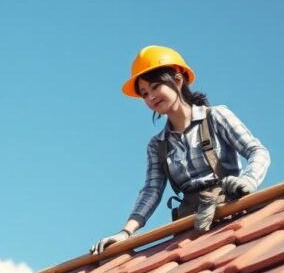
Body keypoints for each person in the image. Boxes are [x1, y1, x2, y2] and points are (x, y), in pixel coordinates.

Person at [91, 46, 270, 254]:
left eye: (156, 87)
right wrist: (125, 232)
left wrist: (248, 181)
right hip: (189, 226)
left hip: (230, 214)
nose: (151, 97)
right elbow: (152, 190)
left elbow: (257, 151)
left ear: (177, 80)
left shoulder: (216, 116)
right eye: (144, 94)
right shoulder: (157, 145)